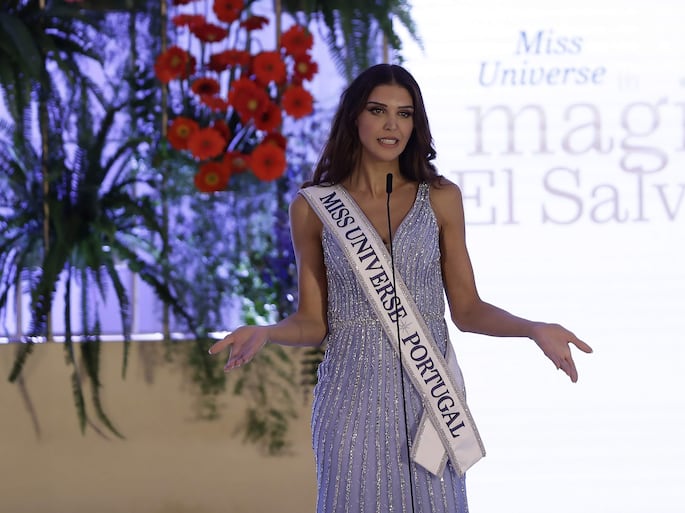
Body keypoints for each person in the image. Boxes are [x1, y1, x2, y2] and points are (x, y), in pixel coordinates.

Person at [209, 63, 593, 513]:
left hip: (431, 398)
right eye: (378, 110)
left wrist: (533, 328)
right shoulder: (313, 207)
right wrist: (269, 332)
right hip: (350, 402)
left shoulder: (442, 197)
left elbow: (467, 310)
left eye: (405, 113)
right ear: (355, 116)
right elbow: (313, 323)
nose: (392, 125)